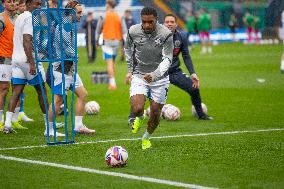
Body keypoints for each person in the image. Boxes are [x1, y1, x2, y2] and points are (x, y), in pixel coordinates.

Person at [124, 7, 174, 150]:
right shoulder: (133, 31)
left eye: (150, 22)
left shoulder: (165, 34)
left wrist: (154, 75)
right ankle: (139, 117)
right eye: (144, 22)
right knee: (137, 107)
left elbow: (168, 59)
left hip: (160, 79)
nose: (146, 25)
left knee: (156, 112)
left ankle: (146, 138)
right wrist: (130, 70)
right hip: (140, 75)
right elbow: (127, 49)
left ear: (156, 20)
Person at [2, 0, 51, 134]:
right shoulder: (29, 17)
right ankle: (49, 128)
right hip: (26, 60)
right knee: (42, 91)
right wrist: (32, 62)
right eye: (37, 4)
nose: (39, 6)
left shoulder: (20, 17)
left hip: (16, 59)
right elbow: (27, 40)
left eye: (40, 4)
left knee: (16, 92)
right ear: (29, 4)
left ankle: (7, 124)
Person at [47, 0, 95, 135]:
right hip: (61, 68)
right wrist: (75, 55)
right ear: (71, 13)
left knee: (82, 94)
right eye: (79, 13)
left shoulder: (69, 25)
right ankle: (49, 130)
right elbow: (66, 47)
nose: (81, 15)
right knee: (58, 100)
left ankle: (78, 126)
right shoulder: (65, 26)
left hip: (70, 68)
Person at [164, 14, 212, 120]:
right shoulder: (156, 37)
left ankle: (201, 115)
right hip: (157, 74)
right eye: (167, 22)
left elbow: (186, 56)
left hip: (173, 72)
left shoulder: (182, 37)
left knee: (194, 88)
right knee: (149, 98)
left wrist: (193, 73)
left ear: (176, 24)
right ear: (163, 24)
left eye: (172, 22)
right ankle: (144, 114)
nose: (169, 24)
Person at [95, 0, 127, 90]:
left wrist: (96, 42)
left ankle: (112, 84)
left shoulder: (103, 15)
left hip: (107, 42)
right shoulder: (120, 15)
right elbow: (124, 31)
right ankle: (112, 81)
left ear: (108, 5)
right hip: (117, 42)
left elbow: (98, 30)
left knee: (109, 63)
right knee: (112, 62)